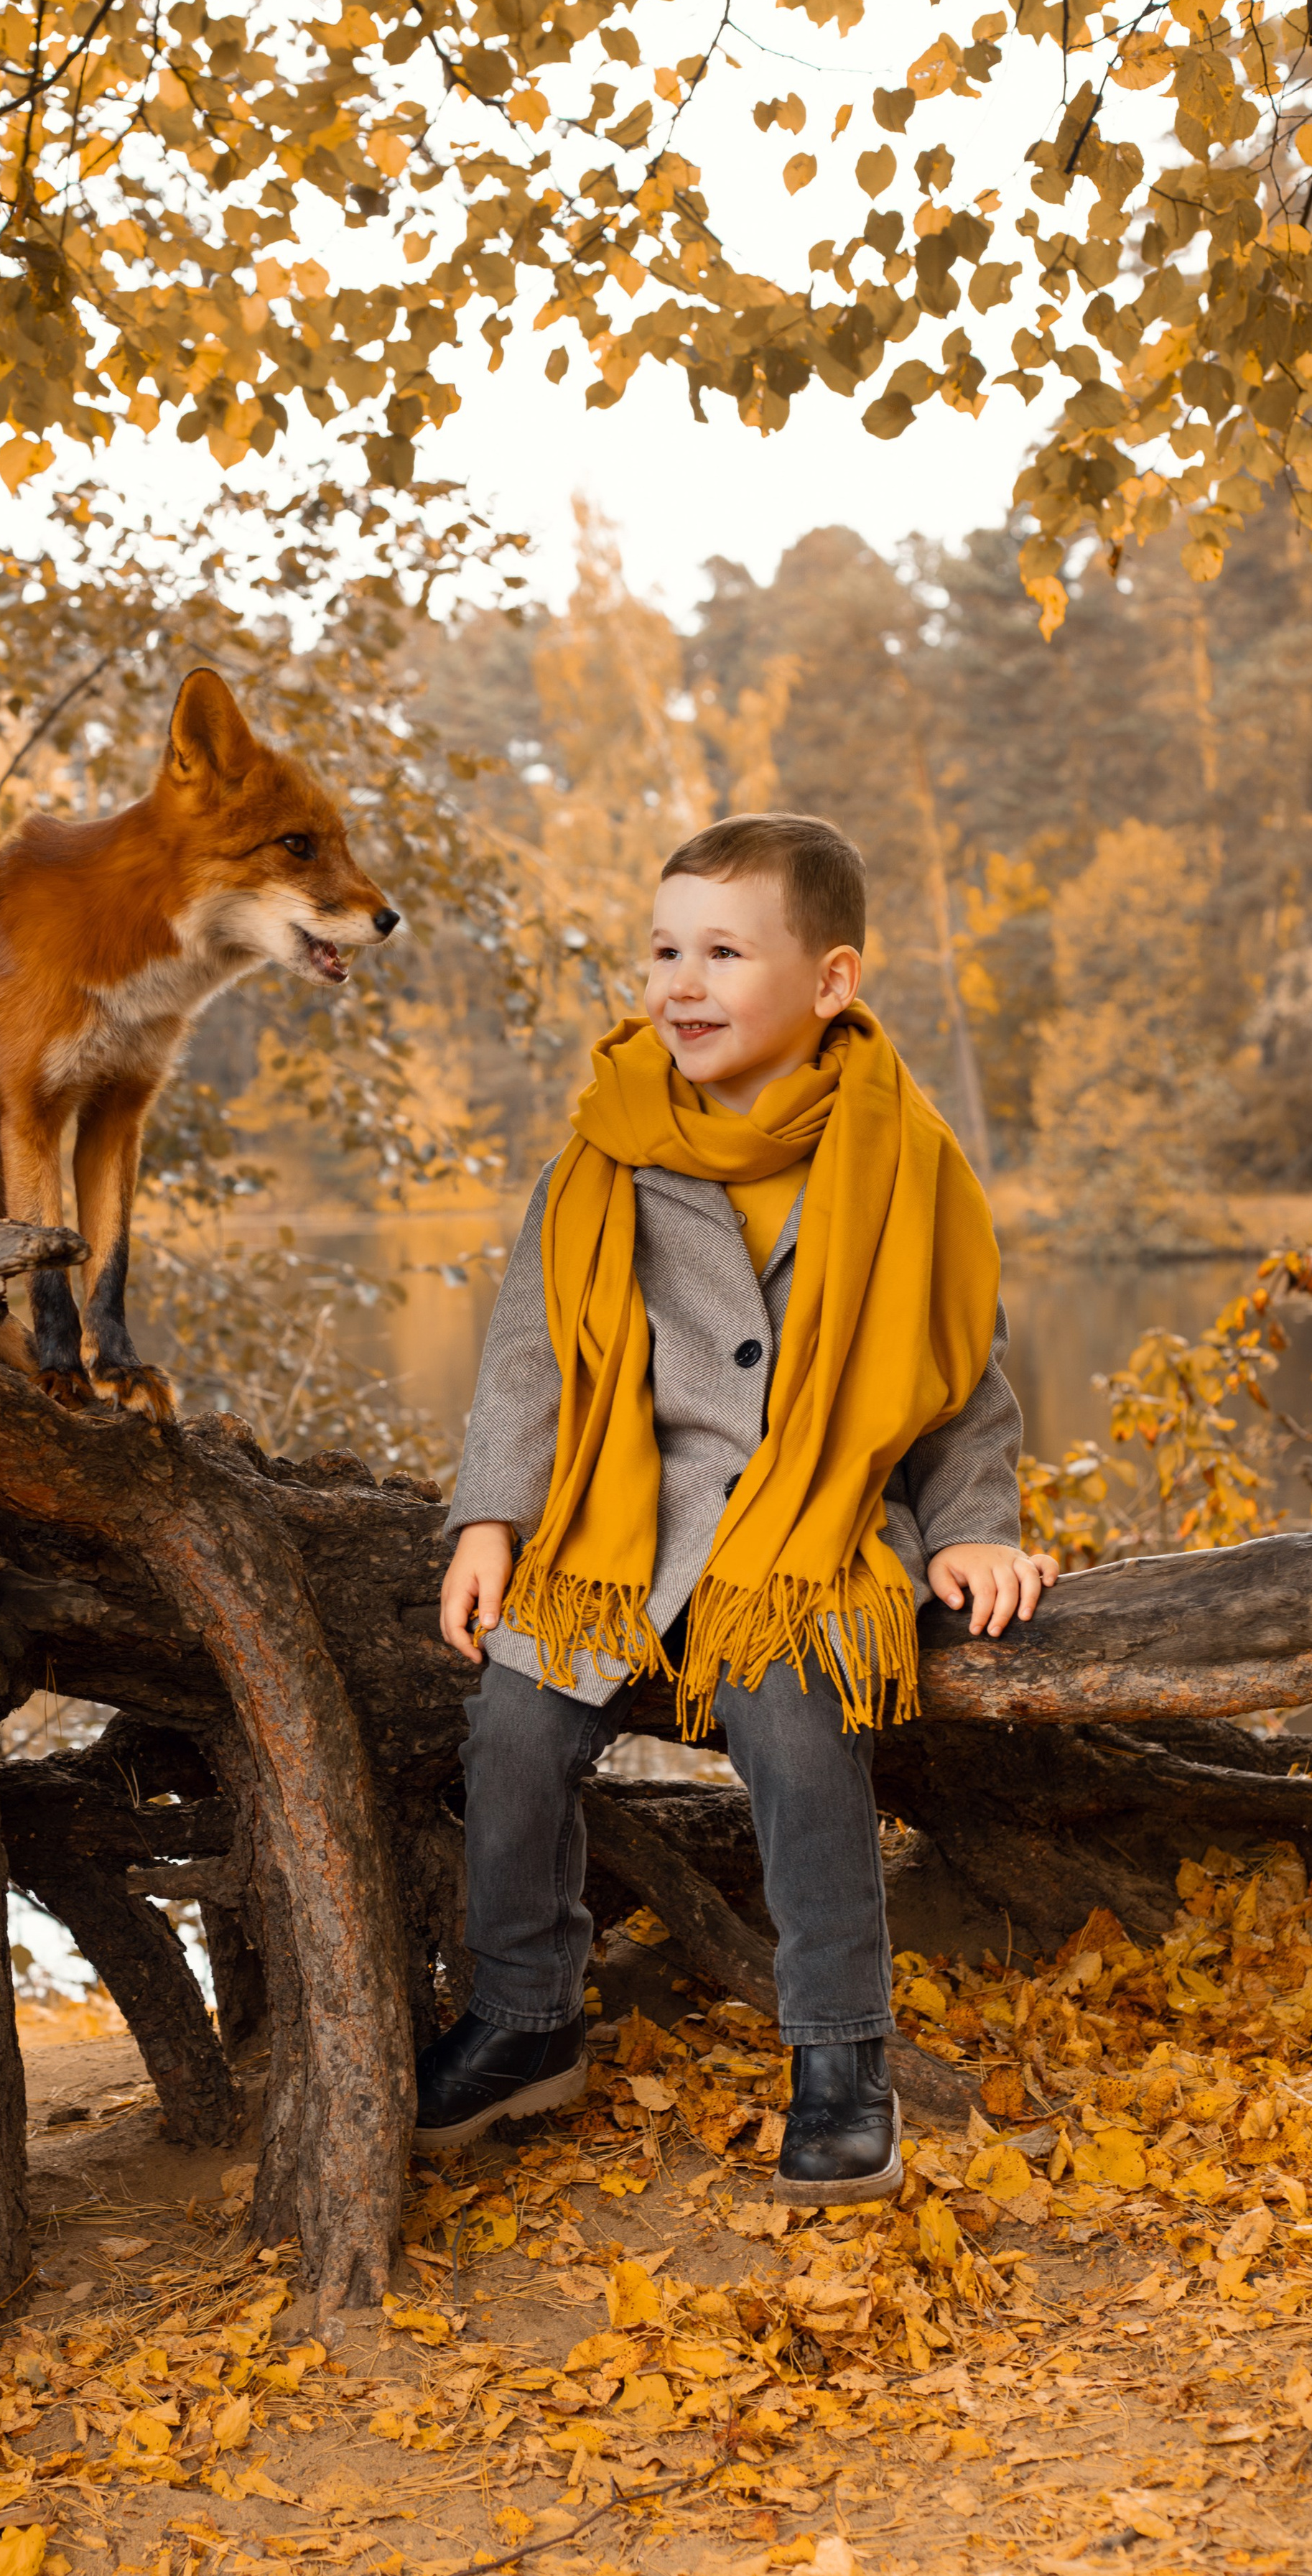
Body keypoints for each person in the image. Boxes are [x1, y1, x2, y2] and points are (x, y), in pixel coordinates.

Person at [424, 810, 1058, 2203]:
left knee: (795, 1726)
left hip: (805, 1532)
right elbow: (530, 1352)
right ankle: (526, 2009)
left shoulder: (900, 1157)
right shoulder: (607, 1142)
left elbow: (956, 1373)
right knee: (513, 1726)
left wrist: (971, 1526)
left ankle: (840, 2059)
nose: (681, 984)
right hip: (619, 1531)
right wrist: (489, 1521)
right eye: (662, 950)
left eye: (722, 951)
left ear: (828, 983)